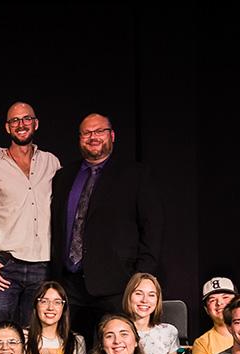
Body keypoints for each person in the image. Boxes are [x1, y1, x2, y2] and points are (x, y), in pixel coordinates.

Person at [50, 114, 164, 342]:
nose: (93, 137)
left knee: (113, 352)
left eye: (99, 131)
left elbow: (152, 228)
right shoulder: (63, 177)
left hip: (117, 284)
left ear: (111, 135)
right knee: (71, 353)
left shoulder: (136, 174)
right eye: (87, 133)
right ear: (80, 138)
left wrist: (139, 278)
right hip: (70, 284)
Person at [0, 102, 61, 329]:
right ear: (7, 127)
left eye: (26, 119)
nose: (21, 124)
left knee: (35, 336)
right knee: (0, 335)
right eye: (15, 121)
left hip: (42, 264)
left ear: (36, 123)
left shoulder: (51, 162)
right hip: (4, 265)